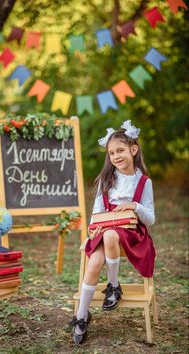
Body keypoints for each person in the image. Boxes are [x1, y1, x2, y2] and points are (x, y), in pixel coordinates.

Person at [69, 120, 156, 345]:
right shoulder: (107, 179)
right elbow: (98, 210)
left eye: (120, 150)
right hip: (106, 227)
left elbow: (151, 219)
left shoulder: (143, 182)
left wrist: (134, 206)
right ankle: (81, 316)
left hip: (131, 231)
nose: (116, 156)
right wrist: (92, 227)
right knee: (94, 262)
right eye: (111, 153)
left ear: (133, 150)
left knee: (110, 236)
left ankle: (114, 284)